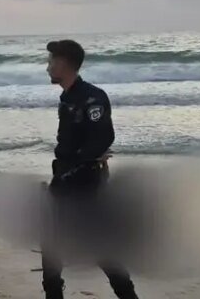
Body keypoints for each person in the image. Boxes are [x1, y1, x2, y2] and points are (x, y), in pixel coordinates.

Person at [39, 40, 139, 299]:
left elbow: (102, 137)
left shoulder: (92, 97)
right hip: (65, 178)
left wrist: (81, 160)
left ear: (63, 64)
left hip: (86, 183)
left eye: (51, 62)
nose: (48, 67)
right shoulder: (67, 97)